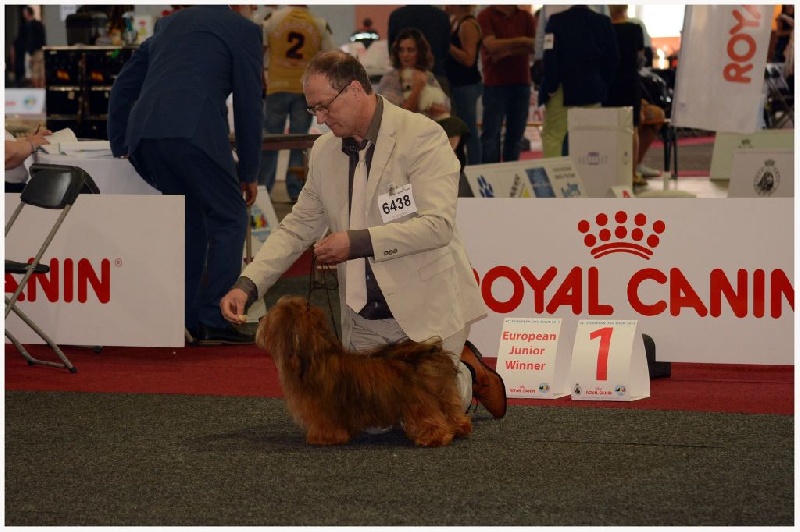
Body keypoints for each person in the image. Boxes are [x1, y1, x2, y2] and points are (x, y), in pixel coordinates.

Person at [220, 50, 507, 420]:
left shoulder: (422, 137)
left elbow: (437, 226)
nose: (320, 120)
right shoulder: (324, 152)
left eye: (324, 108)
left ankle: (464, 373)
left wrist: (355, 241)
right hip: (364, 317)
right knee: (370, 422)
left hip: (426, 309)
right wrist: (247, 284)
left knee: (426, 411)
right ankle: (447, 376)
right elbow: (295, 228)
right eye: (314, 111)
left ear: (355, 89)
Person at [108, 5, 264, 346]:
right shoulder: (244, 30)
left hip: (145, 137)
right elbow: (250, 105)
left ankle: (187, 317)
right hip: (194, 131)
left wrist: (120, 140)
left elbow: (123, 85)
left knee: (192, 219)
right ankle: (215, 317)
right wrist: (250, 171)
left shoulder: (167, 26)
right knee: (231, 216)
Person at [260, 5, 336, 202]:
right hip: (304, 89)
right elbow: (330, 55)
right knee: (297, 142)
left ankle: (263, 190)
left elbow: (261, 49)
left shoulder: (274, 20)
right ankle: (296, 192)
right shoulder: (318, 24)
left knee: (270, 140)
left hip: (276, 86)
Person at [539, 5, 618, 158]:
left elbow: (550, 58)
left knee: (554, 137)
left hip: (563, 90)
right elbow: (613, 58)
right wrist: (601, 83)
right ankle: (587, 178)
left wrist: (551, 87)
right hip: (593, 89)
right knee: (590, 139)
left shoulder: (556, 21)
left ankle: (554, 178)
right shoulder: (603, 22)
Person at [477, 5, 536, 164]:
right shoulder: (486, 15)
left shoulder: (525, 16)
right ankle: (489, 175)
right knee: (491, 135)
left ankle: (510, 174)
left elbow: (536, 45)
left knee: (516, 135)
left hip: (521, 83)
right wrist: (521, 41)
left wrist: (507, 51)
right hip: (495, 84)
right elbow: (491, 46)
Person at [605, 5, 645, 185]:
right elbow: (641, 59)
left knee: (608, 127)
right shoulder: (635, 29)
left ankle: (609, 171)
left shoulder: (605, 29)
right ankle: (632, 173)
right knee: (632, 128)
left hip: (609, 83)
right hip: (630, 82)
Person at [445, 4, 484, 166]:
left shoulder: (467, 25)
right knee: (463, 129)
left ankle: (475, 167)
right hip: (458, 83)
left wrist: (448, 46)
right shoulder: (455, 22)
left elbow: (469, 59)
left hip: (466, 84)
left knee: (469, 130)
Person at [388, 5, 452, 96]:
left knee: (400, 108)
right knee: (442, 107)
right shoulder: (442, 16)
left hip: (403, 78)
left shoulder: (396, 16)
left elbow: (392, 48)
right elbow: (446, 48)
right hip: (437, 72)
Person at [5, 127, 51, 192]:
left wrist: (30, 139)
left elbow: (11, 142)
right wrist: (31, 144)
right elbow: (8, 153)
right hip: (8, 188)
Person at [20, 6, 46, 88]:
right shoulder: (39, 24)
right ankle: (43, 92)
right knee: (42, 73)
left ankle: (38, 92)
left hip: (34, 52)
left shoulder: (29, 26)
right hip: (41, 50)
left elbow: (31, 40)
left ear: (27, 14)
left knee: (35, 73)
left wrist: (30, 53)